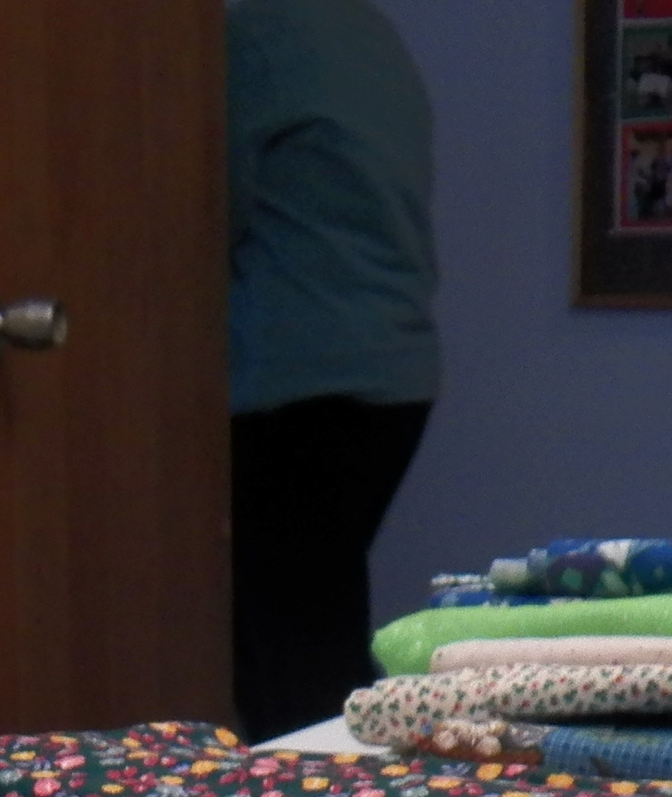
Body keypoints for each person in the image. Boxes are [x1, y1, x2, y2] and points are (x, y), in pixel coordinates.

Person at [227, 0, 439, 739]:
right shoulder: (365, 30)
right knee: (310, 631)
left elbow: (193, 211)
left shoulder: (252, 34)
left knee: (291, 661)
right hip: (392, 370)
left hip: (296, 375)